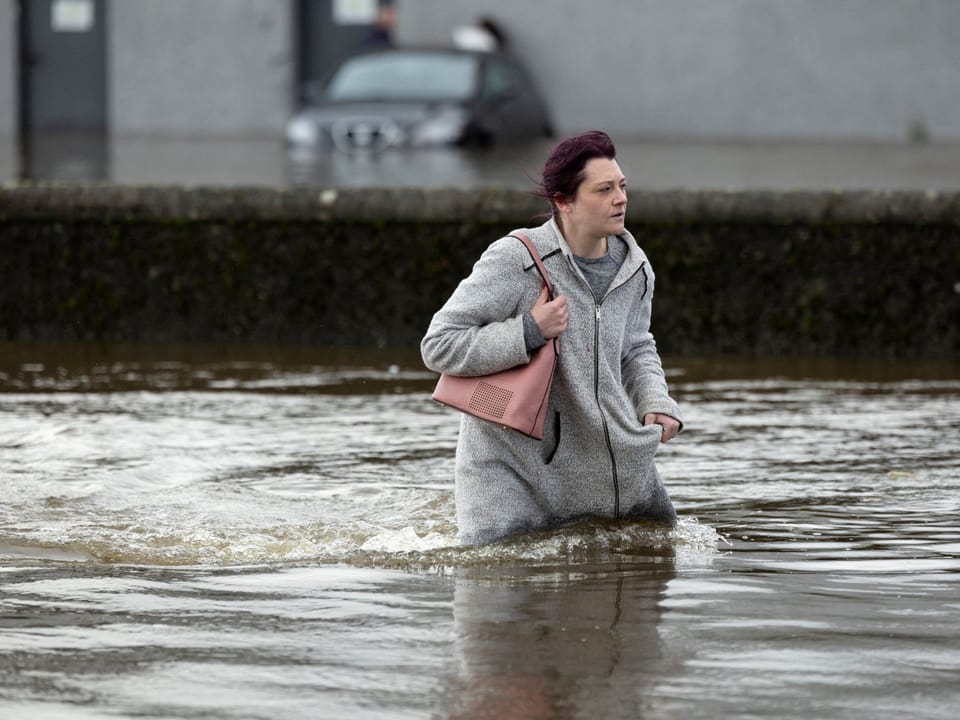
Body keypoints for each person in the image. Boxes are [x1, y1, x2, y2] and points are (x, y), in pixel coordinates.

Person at [421, 131, 683, 546]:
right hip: (510, 471)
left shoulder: (636, 267)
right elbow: (439, 345)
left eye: (622, 186)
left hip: (607, 467)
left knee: (650, 569)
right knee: (502, 591)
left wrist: (655, 401)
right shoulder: (516, 258)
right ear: (564, 201)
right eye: (604, 190)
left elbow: (636, 347)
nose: (621, 198)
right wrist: (528, 331)